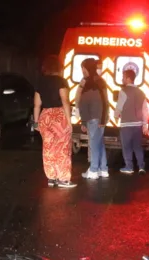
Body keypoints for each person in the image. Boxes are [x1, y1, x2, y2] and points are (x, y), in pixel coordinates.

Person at [34, 56, 76, 188]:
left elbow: (36, 104)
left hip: (45, 116)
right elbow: (65, 101)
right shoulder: (61, 81)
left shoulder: (40, 82)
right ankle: (63, 179)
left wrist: (36, 122)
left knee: (48, 148)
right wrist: (69, 122)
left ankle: (52, 178)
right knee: (62, 147)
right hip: (59, 116)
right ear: (59, 68)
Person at [76, 58, 109, 179]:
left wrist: (83, 121)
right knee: (99, 143)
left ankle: (94, 170)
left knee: (94, 144)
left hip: (92, 118)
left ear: (87, 68)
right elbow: (105, 101)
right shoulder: (101, 81)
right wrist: (103, 119)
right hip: (100, 118)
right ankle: (103, 169)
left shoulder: (86, 82)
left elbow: (83, 103)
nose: (82, 71)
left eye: (83, 68)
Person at [115, 69, 149, 174]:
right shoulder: (141, 92)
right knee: (137, 146)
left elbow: (119, 106)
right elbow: (145, 110)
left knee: (127, 146)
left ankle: (129, 167)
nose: (122, 79)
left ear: (128, 78)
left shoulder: (123, 91)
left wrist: (116, 116)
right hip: (138, 125)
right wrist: (145, 124)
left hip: (126, 124)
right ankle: (141, 167)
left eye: (123, 77)